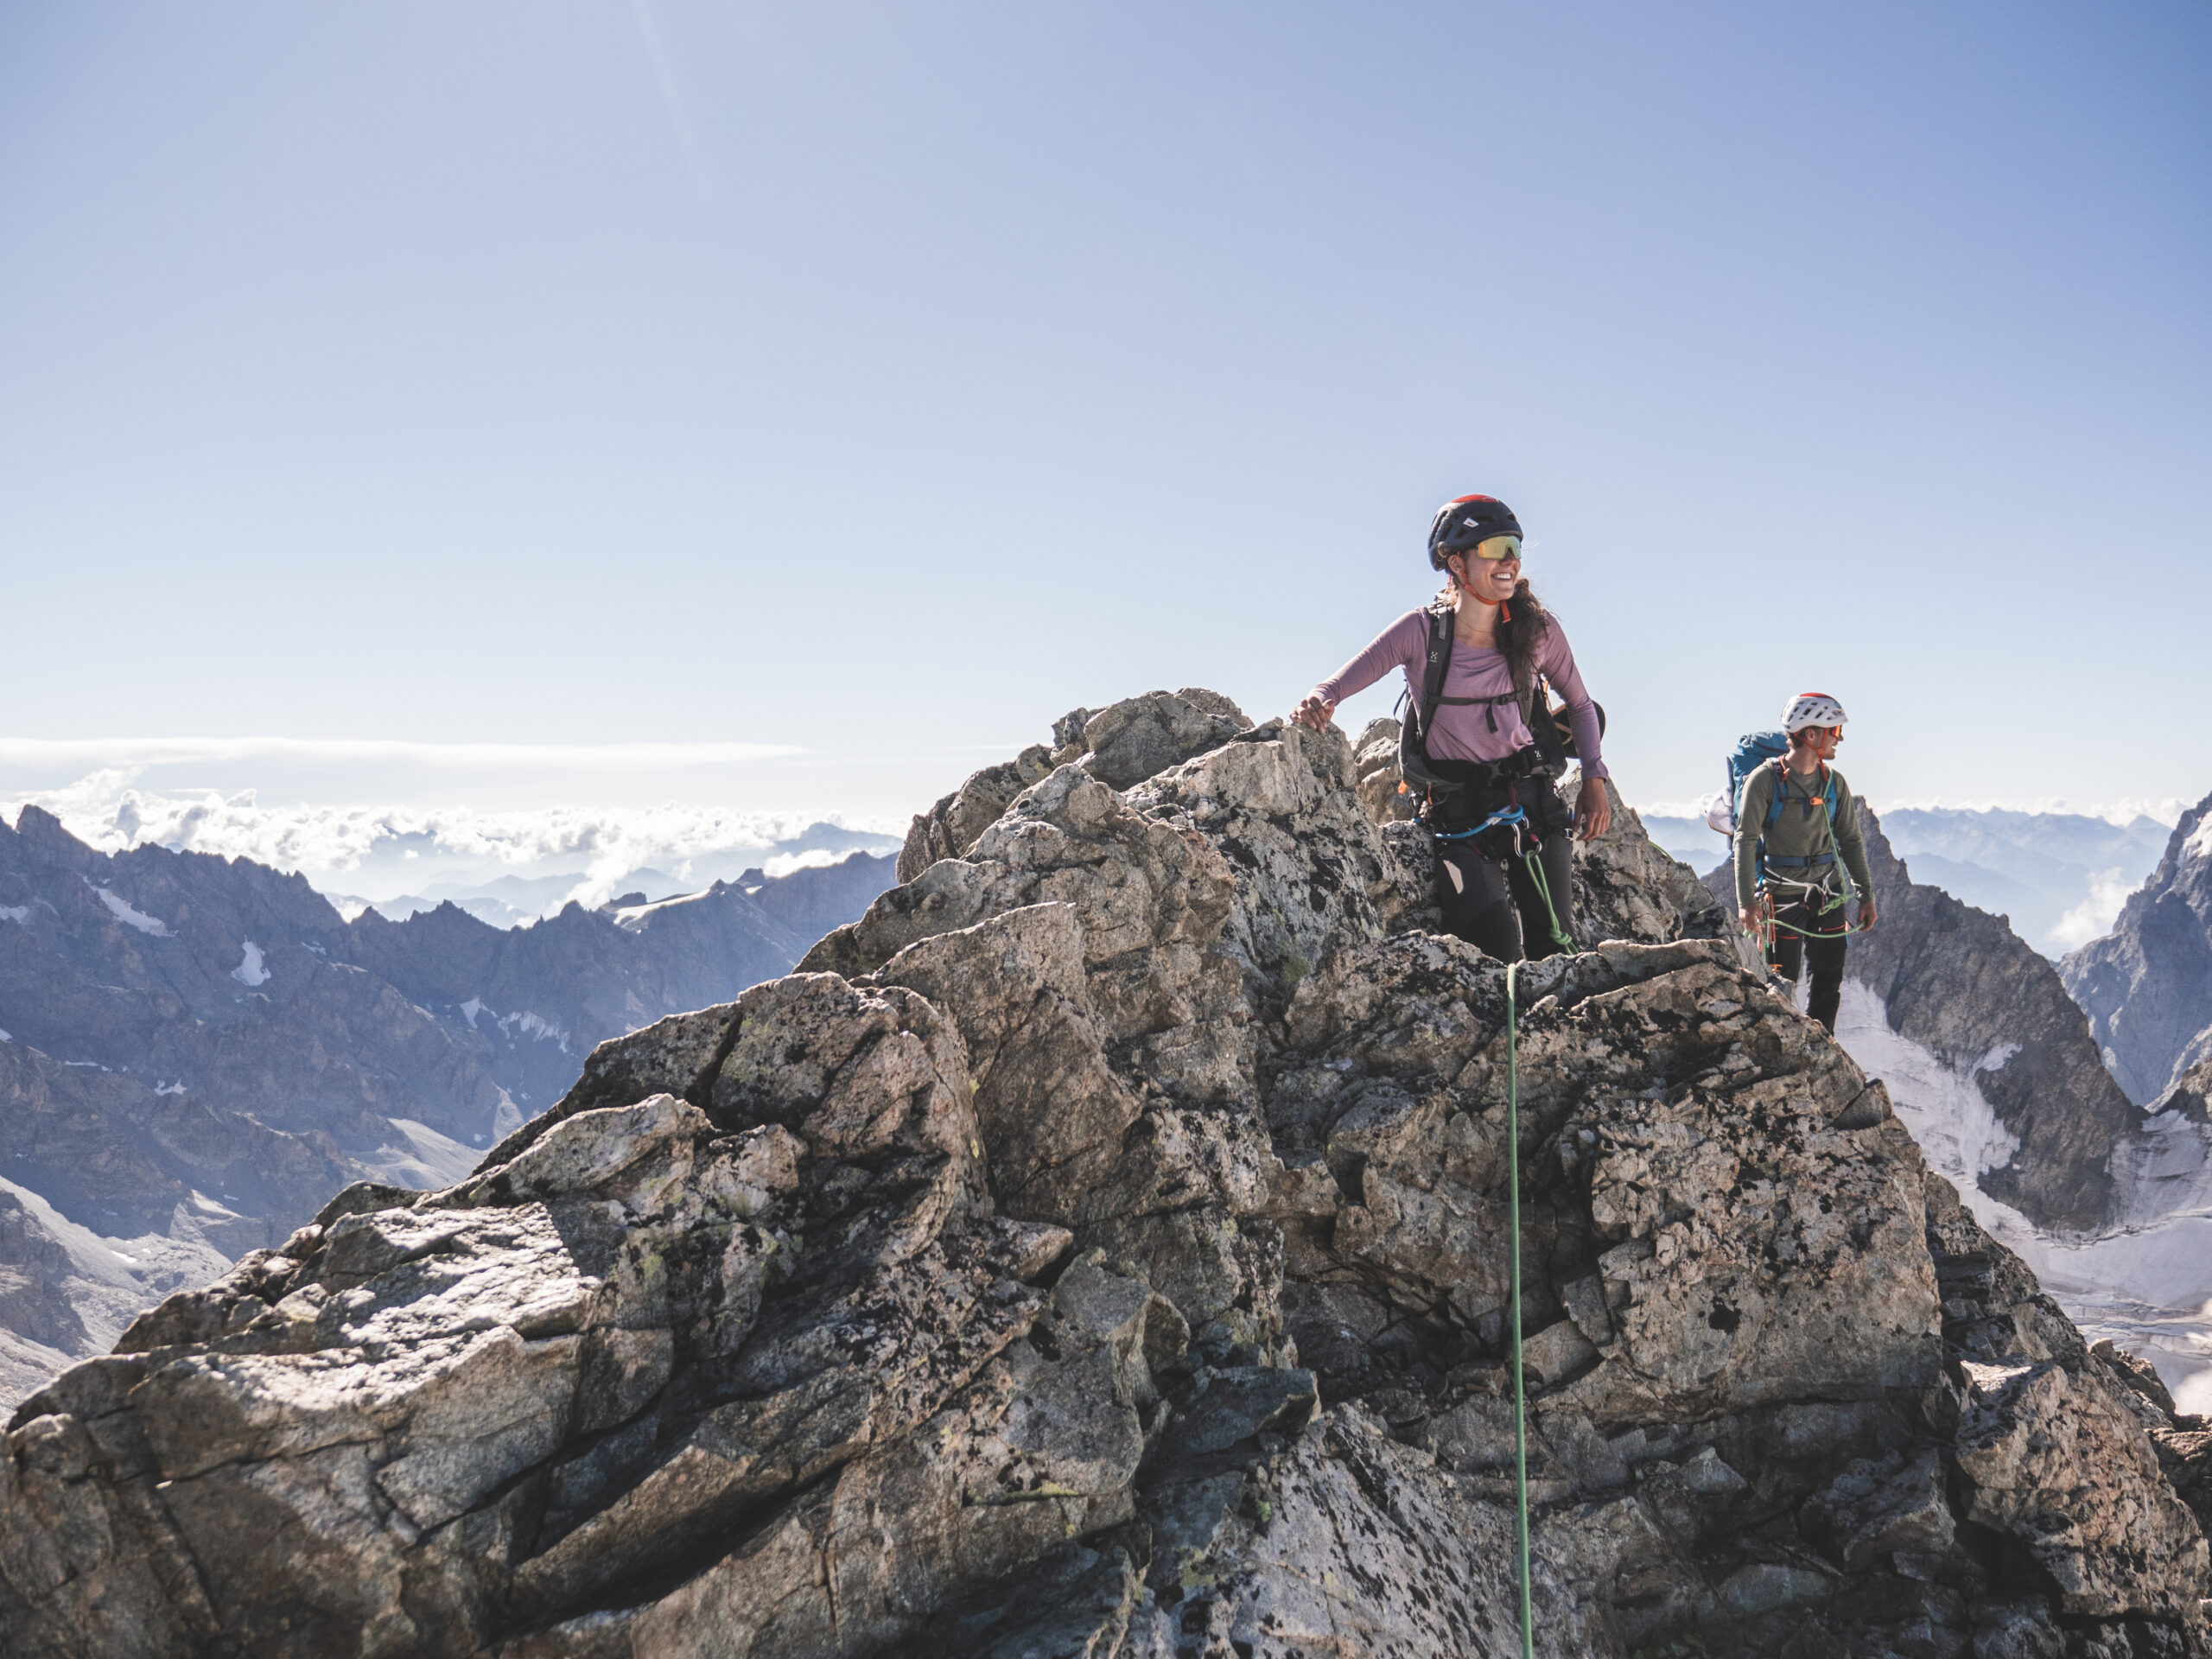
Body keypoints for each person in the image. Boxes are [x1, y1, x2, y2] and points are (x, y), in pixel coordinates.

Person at [1293, 493, 1611, 962]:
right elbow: (1339, 682)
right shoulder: (1421, 633)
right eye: (1494, 547)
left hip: (1533, 806)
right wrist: (1321, 701)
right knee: (1494, 952)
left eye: (1514, 547)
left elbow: (1581, 705)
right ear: (1455, 561)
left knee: (1554, 950)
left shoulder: (1538, 631)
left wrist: (1594, 779)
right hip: (1459, 816)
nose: (1509, 560)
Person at [1732, 693, 1878, 1033]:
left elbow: (1851, 841)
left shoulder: (1834, 784)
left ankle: (1821, 1049)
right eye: (1834, 730)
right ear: (1811, 735)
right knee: (1780, 984)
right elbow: (1746, 839)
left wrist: (1865, 894)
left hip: (1828, 892)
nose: (1839, 739)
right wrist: (1746, 902)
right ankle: (1782, 1046)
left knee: (1829, 979)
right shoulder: (1764, 780)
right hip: (1781, 896)